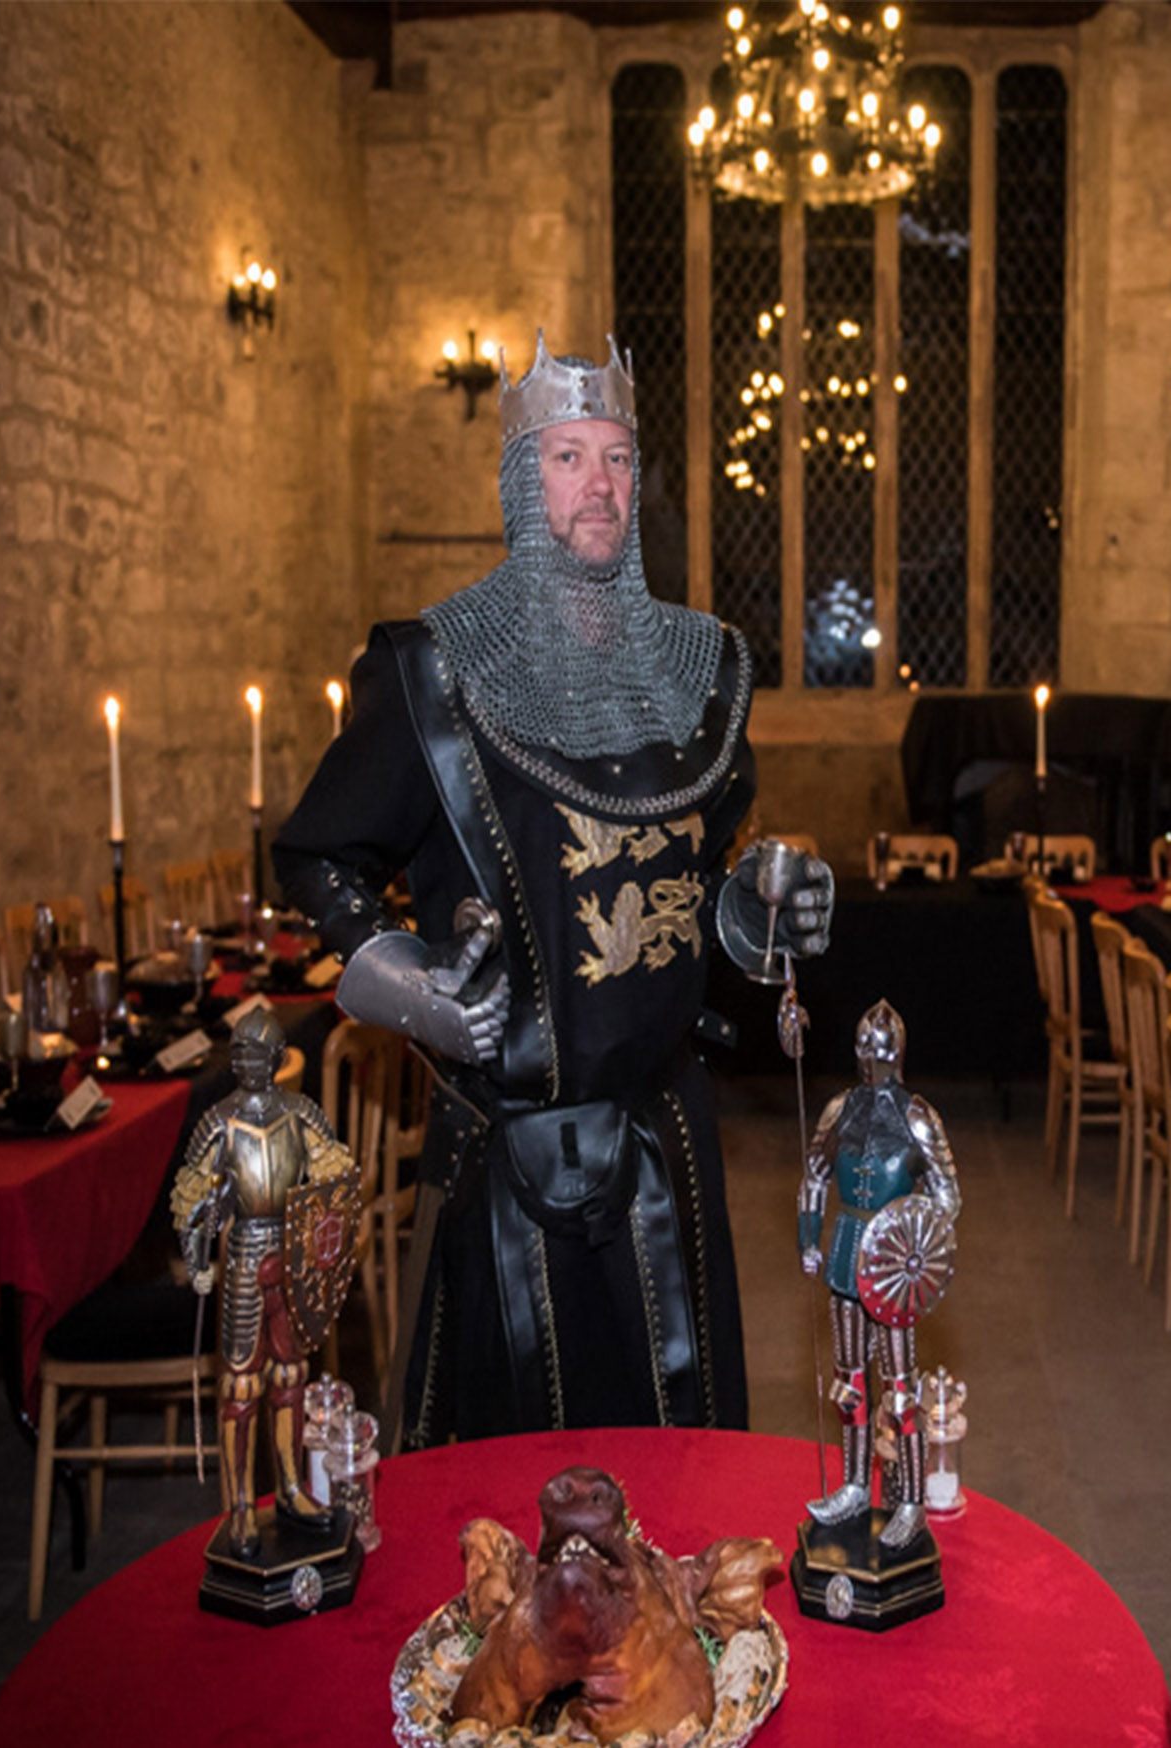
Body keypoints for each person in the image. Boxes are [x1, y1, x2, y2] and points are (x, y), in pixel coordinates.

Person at [273, 332, 832, 1447]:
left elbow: (704, 876)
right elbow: (316, 856)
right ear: (523, 482)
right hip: (507, 1158)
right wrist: (412, 984)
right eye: (567, 457)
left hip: (665, 1141)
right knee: (500, 1511)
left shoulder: (699, 667)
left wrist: (763, 904)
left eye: (617, 457)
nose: (599, 485)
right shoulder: (429, 672)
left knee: (677, 1486)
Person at [170, 1008, 358, 1553]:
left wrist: (323, 1230)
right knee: (241, 1385)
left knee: (291, 1375)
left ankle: (291, 1487)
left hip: (291, 1249)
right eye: (243, 1054)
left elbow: (334, 1179)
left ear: (277, 1059)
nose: (251, 1063)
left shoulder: (301, 1115)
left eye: (260, 1054)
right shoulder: (218, 1123)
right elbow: (189, 1199)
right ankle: (241, 1506)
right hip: (247, 1251)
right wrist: (200, 1256)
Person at [799, 1000, 960, 1550]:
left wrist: (917, 1246)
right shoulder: (840, 1110)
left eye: (882, 1051)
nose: (875, 1061)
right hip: (846, 1254)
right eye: (868, 1051)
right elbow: (815, 1177)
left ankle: (911, 1501)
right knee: (851, 1385)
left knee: (900, 1392)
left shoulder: (918, 1118)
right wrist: (809, 1240)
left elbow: (946, 1196)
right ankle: (852, 1487)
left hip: (892, 1268)